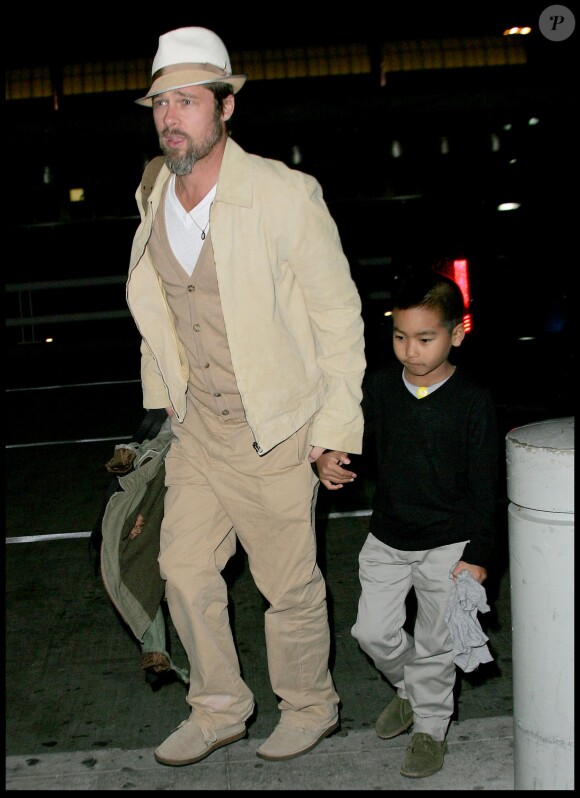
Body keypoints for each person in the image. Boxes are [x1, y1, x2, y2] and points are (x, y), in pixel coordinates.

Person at [126, 26, 366, 767]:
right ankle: (221, 707)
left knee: (287, 587)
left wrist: (335, 431)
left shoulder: (284, 195)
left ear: (226, 108)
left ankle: (310, 705)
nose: (172, 116)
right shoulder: (154, 187)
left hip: (274, 429)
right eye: (162, 102)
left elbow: (338, 317)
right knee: (184, 570)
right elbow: (162, 308)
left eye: (189, 101)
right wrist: (162, 401)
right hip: (198, 426)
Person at [350, 268, 498, 779]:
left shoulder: (472, 401)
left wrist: (477, 554)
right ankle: (409, 690)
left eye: (425, 338)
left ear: (456, 334)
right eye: (399, 337)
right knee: (371, 632)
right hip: (388, 537)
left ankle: (431, 727)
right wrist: (329, 456)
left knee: (436, 645)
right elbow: (357, 441)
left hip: (448, 546)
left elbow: (486, 486)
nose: (410, 351)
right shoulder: (382, 389)